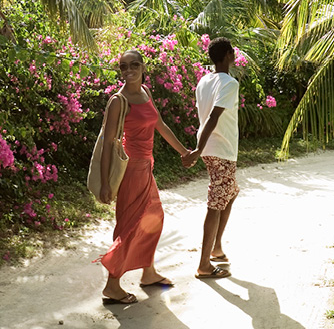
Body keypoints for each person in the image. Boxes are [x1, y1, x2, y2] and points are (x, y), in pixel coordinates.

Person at [98, 49, 191, 304]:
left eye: (134, 65)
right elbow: (107, 143)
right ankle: (112, 286)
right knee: (130, 226)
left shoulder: (145, 92)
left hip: (146, 168)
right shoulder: (118, 101)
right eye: (123, 66)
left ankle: (148, 273)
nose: (128, 70)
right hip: (130, 171)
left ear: (143, 67)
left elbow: (159, 124)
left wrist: (184, 152)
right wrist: (106, 182)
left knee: (153, 218)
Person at [183, 37, 240, 279]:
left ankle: (216, 248)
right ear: (227, 55)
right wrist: (198, 148)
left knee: (231, 191)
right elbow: (214, 117)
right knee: (216, 201)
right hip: (219, 149)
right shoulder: (229, 83)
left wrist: (200, 148)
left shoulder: (204, 81)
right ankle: (204, 264)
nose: (234, 55)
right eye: (232, 52)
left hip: (216, 149)